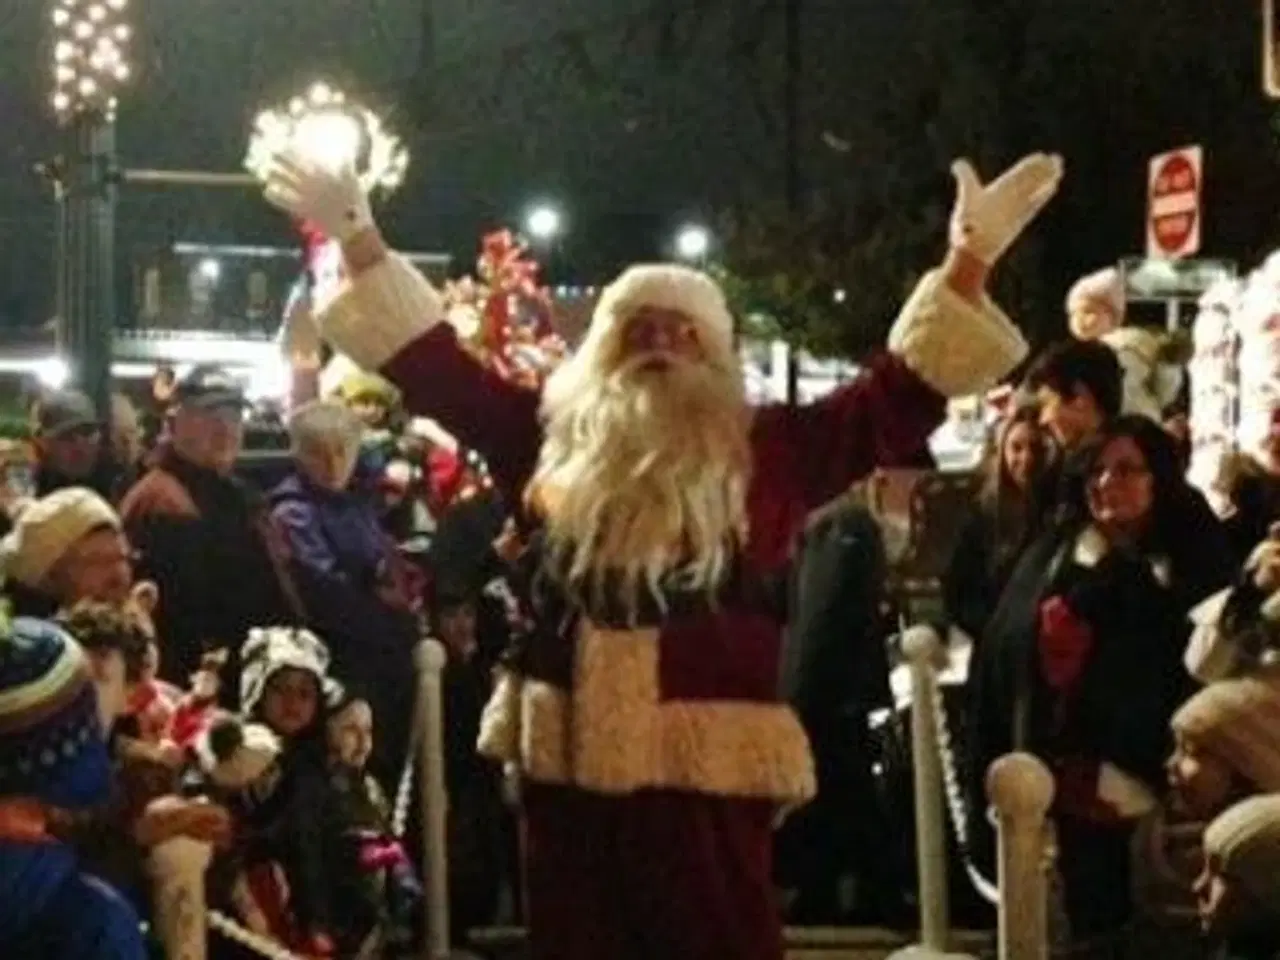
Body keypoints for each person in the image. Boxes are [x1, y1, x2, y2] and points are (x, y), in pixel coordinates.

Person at [261, 144, 1061, 960]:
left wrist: (968, 262)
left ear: (715, 359)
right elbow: (439, 374)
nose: (660, 351)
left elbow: (895, 397)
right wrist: (360, 239)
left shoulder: (770, 448)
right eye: (639, 335)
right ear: (601, 359)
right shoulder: (545, 437)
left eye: (682, 336)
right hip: (568, 769)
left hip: (709, 769)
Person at [966, 415, 1233, 948]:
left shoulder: (1194, 552)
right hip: (1067, 777)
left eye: (1127, 470)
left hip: (1170, 779)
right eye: (1098, 471)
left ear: (1157, 477)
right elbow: (1010, 646)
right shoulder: (1056, 552)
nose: (1108, 484)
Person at [121, 365, 304, 690]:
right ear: (174, 424)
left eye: (234, 416)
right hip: (208, 693)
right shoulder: (165, 505)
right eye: (209, 415)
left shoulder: (230, 493)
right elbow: (182, 627)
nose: (225, 429)